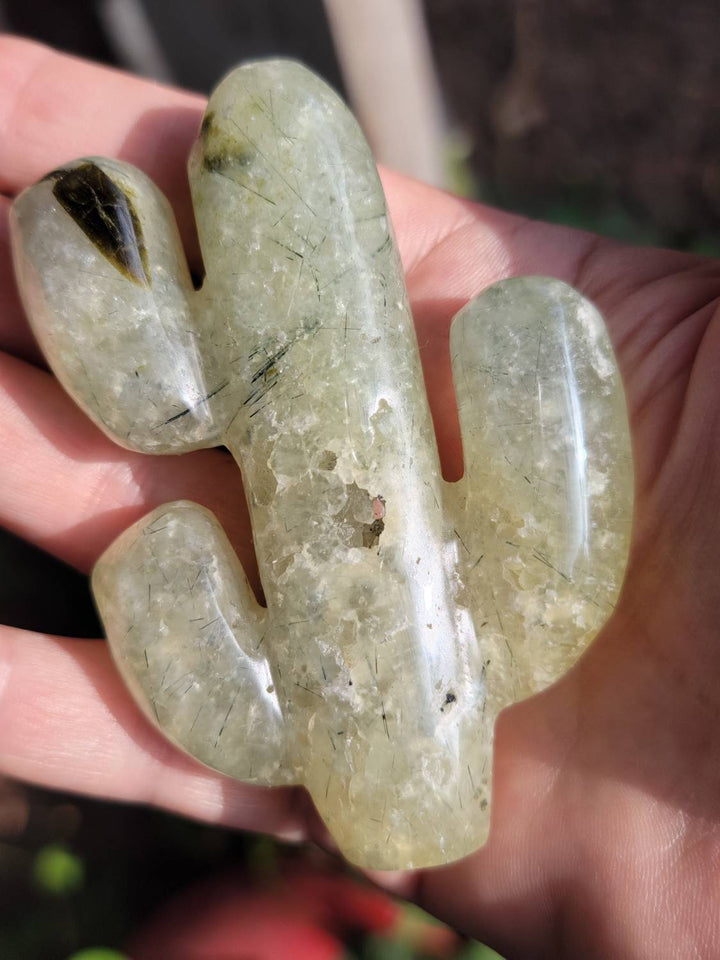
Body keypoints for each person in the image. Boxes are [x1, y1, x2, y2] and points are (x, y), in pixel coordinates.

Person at [1, 35, 719, 960]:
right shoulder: (526, 620)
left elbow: (160, 568)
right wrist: (542, 351)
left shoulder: (500, 632)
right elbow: (556, 550)